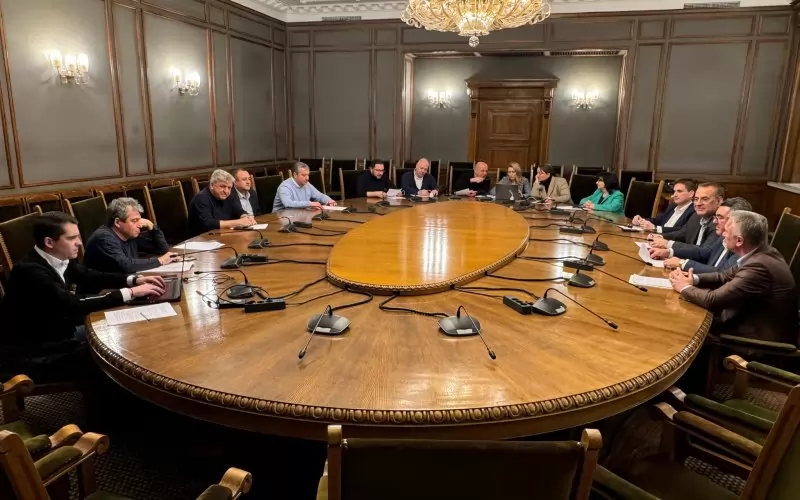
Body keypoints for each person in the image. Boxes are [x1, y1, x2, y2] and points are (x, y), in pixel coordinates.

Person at [0, 212, 165, 383]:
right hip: (35, 351)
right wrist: (130, 293)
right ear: (49, 242)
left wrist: (133, 280)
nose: (79, 242)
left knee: (129, 331)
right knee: (117, 354)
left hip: (59, 331)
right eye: (72, 238)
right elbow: (71, 304)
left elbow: (89, 275)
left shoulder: (58, 256)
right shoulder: (30, 271)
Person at [669, 210, 798, 345]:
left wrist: (684, 287)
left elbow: (712, 300)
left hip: (753, 342)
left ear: (739, 240)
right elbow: (724, 275)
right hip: (741, 323)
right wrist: (694, 279)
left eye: (727, 232)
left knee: (680, 332)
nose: (722, 234)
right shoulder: (761, 252)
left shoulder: (759, 267)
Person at [84, 197, 177, 274]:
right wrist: (160, 261)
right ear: (117, 222)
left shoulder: (129, 234)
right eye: (134, 220)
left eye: (139, 219)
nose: (140, 225)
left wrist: (151, 226)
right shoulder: (104, 238)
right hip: (103, 288)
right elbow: (125, 265)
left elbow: (162, 250)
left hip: (125, 282)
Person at [662, 197, 751, 273]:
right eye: (716, 217)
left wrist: (683, 263)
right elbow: (705, 254)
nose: (714, 221)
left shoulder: (743, 245)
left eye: (720, 217)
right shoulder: (722, 237)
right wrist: (669, 252)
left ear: (736, 221)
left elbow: (723, 273)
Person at [647, 182, 723, 259]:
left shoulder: (720, 223)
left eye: (705, 199)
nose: (698, 204)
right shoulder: (696, 216)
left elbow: (704, 252)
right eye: (696, 199)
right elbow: (683, 233)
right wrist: (660, 236)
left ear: (719, 201)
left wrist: (668, 244)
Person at [188, 169, 256, 236]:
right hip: (202, 238)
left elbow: (238, 210)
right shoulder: (201, 198)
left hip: (224, 235)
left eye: (229, 187)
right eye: (222, 186)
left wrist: (246, 218)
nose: (226, 191)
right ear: (211, 185)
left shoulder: (230, 195)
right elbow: (209, 223)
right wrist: (239, 222)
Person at [631, 178, 696, 234]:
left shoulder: (694, 211)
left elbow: (682, 230)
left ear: (691, 193)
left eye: (679, 191)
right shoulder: (672, 206)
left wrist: (655, 228)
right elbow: (659, 220)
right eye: (674, 191)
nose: (675, 195)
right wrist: (641, 220)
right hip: (656, 237)